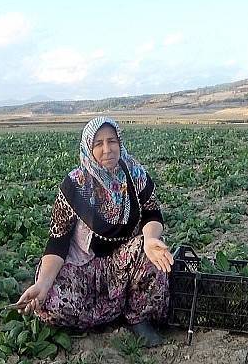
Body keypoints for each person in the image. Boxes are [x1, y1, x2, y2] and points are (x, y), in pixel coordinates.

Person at [14, 116, 173, 346]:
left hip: (125, 262)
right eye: (98, 144)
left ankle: (138, 317)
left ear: (120, 142)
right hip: (85, 268)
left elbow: (152, 214)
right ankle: (112, 312)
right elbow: (57, 242)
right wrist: (44, 283)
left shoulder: (135, 174)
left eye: (112, 141)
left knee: (152, 252)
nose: (107, 149)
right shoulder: (75, 184)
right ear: (88, 147)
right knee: (51, 300)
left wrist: (149, 238)